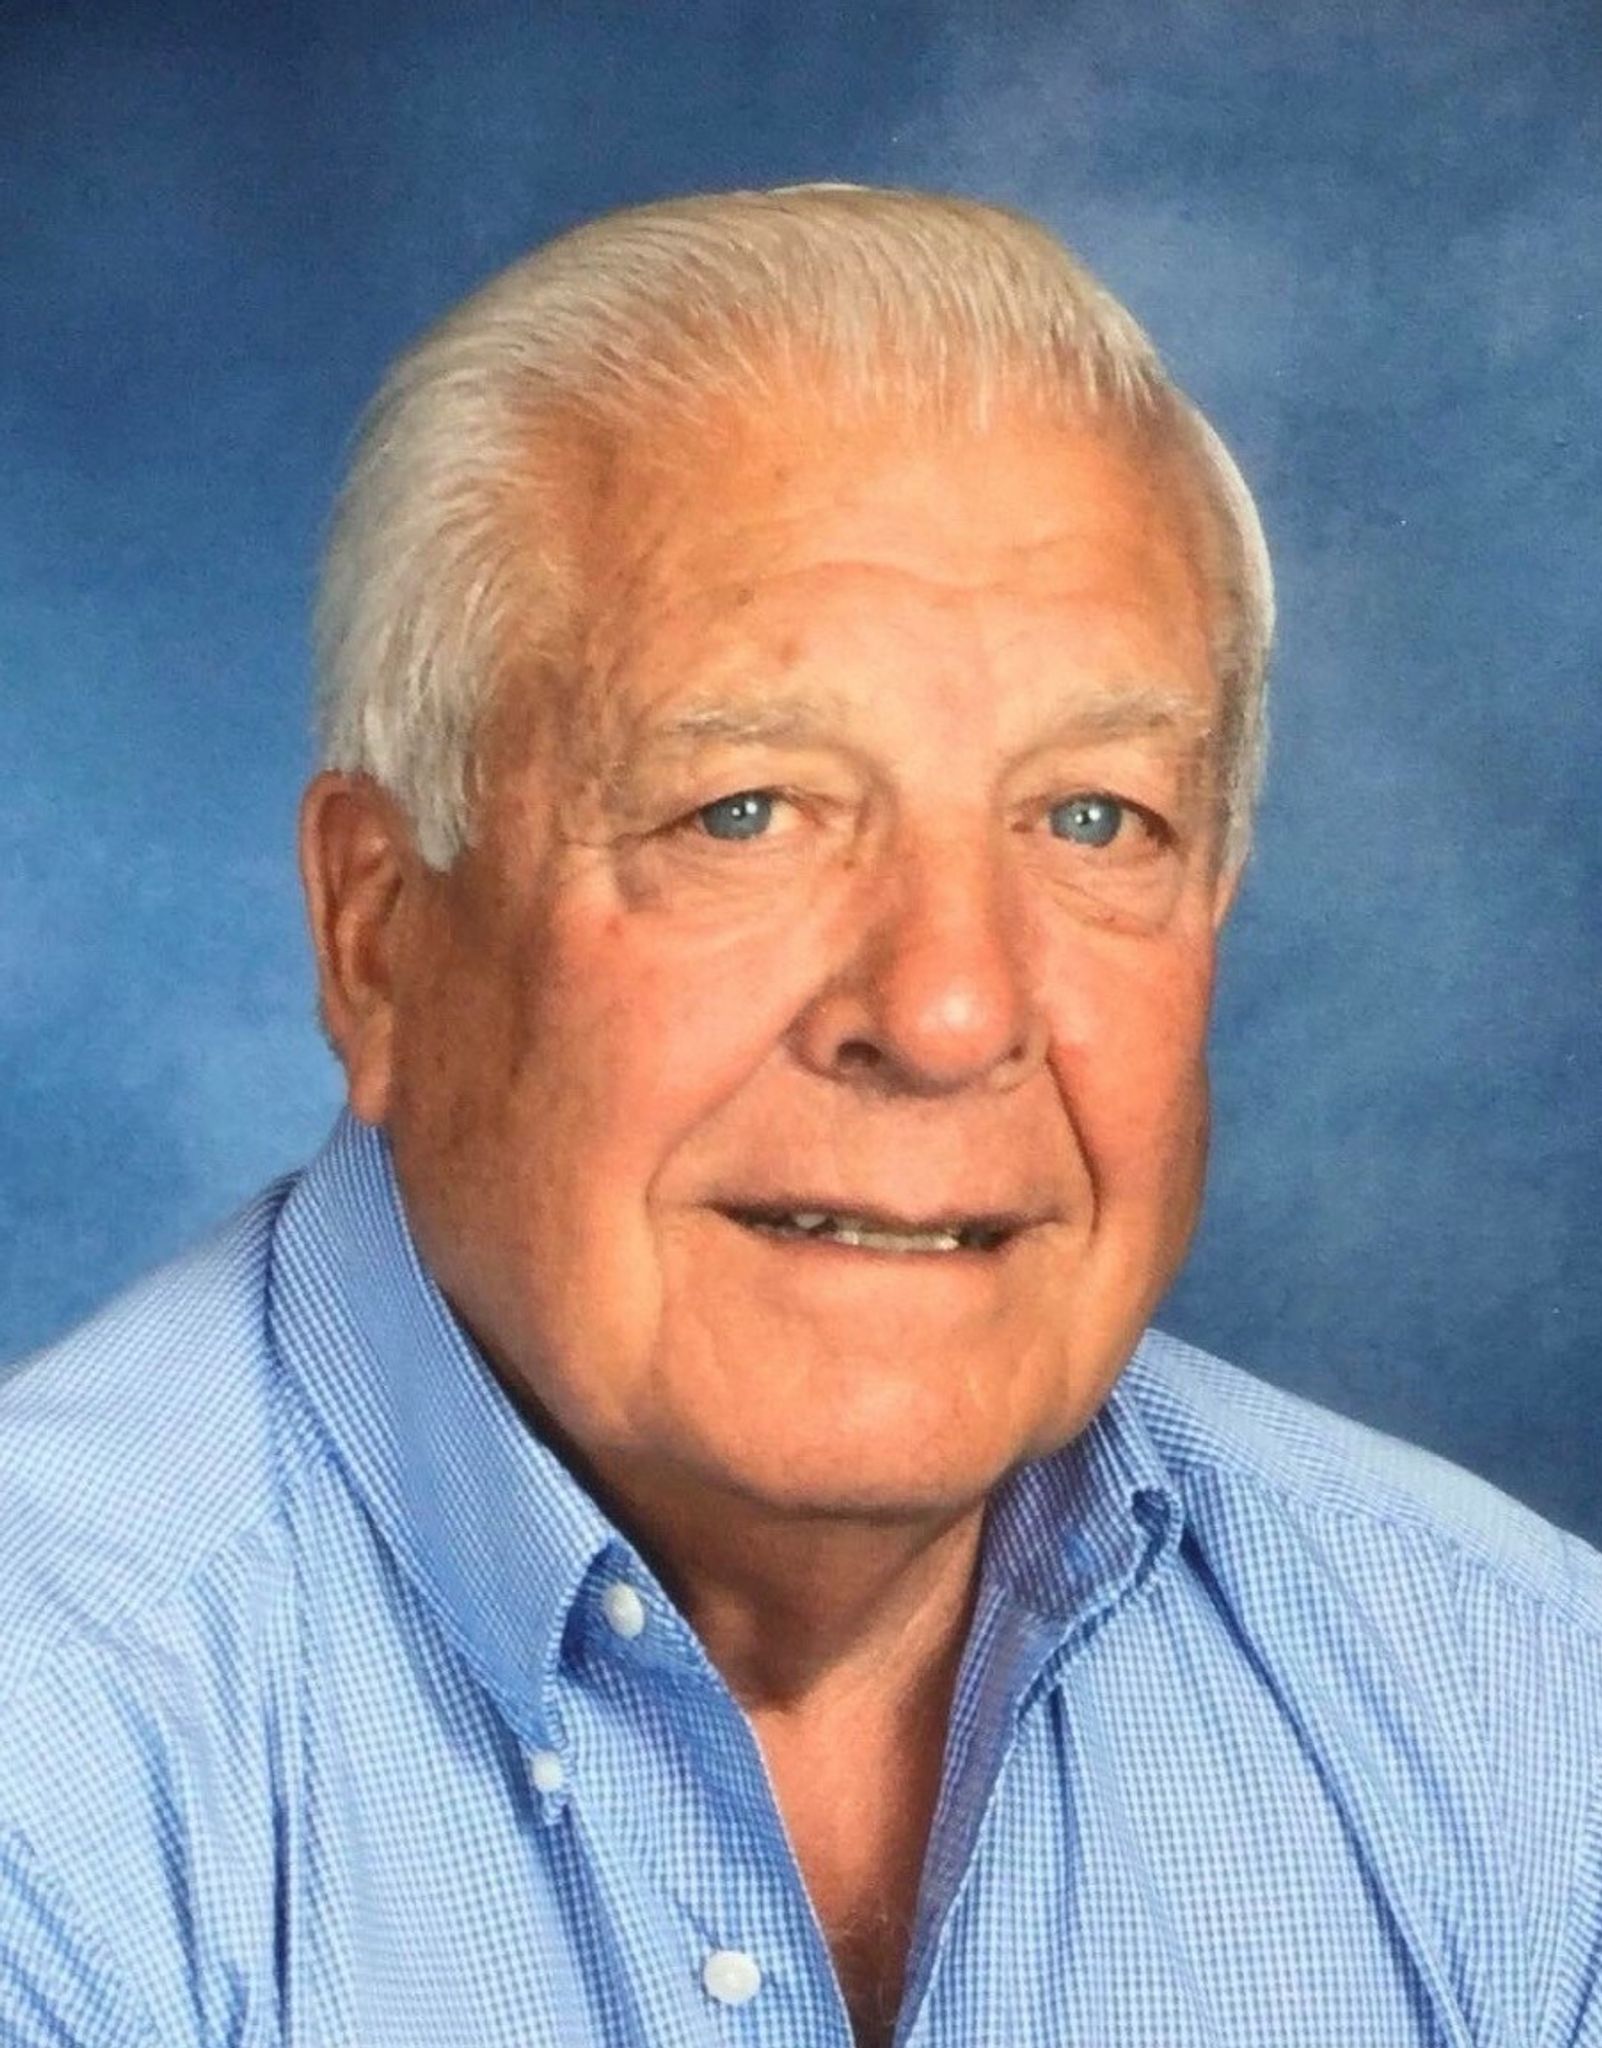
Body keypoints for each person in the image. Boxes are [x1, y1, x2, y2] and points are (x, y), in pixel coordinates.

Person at [1, 184, 1597, 2048]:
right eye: (741, 813)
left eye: (1092, 819)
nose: (946, 1011)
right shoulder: (56, 1771)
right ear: (381, 936)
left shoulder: (1521, 1728)